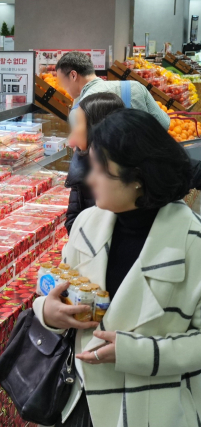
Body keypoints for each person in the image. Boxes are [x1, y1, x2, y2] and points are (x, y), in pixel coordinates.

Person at [34, 109, 201, 427]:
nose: (89, 178)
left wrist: (135, 352)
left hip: (152, 408)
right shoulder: (86, 224)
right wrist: (49, 312)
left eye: (100, 170)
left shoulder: (192, 242)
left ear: (137, 178)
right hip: (79, 403)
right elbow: (61, 285)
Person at [65, 92, 201, 234]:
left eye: (77, 124)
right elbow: (73, 221)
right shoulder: (80, 164)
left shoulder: (183, 233)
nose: (92, 179)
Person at [55, 51, 170, 129]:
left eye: (62, 81)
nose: (62, 86)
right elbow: (164, 124)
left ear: (73, 75)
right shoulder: (135, 86)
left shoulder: (79, 110)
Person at [65, 93, 125, 233]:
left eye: (78, 124)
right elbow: (72, 221)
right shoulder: (80, 161)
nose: (73, 131)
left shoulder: (123, 168)